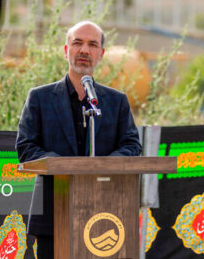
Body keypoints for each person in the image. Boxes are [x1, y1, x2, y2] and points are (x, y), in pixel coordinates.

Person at [15, 21, 142, 258]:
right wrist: (64, 168)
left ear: (101, 54)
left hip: (104, 217)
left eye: (92, 45)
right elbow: (25, 146)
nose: (84, 50)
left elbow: (132, 145)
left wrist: (105, 166)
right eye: (77, 43)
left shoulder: (117, 101)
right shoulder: (40, 97)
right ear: (66, 50)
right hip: (53, 213)